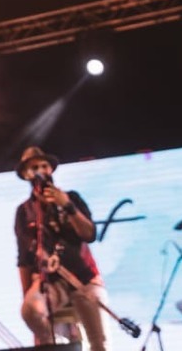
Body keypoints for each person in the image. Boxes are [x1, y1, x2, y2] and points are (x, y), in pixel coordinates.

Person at [13, 146, 108, 351]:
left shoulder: (72, 198)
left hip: (84, 278)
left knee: (99, 342)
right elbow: (23, 259)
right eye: (34, 168)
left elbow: (90, 234)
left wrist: (67, 206)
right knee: (30, 311)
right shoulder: (24, 211)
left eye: (44, 166)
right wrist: (27, 295)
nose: (40, 171)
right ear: (26, 174)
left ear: (51, 169)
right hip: (49, 282)